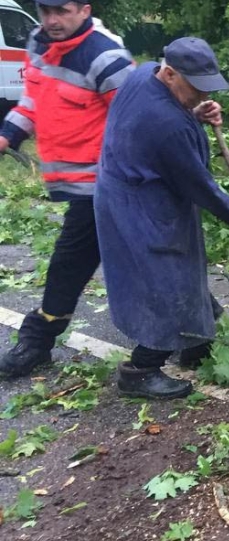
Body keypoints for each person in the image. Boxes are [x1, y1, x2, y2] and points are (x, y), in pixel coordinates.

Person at [93, 37, 229, 399]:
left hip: (128, 190)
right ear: (169, 74)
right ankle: (141, 370)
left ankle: (196, 343)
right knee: (166, 282)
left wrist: (193, 113)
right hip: (142, 206)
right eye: (195, 90)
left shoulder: (143, 76)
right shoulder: (167, 124)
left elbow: (167, 124)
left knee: (183, 271)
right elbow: (199, 186)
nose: (202, 96)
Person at [0, 0, 133, 377]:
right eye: (46, 11)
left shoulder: (107, 56)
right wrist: (7, 135)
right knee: (148, 257)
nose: (53, 21)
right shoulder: (39, 43)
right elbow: (33, 101)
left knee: (73, 265)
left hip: (109, 186)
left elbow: (138, 120)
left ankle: (37, 341)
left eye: (63, 11)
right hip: (78, 187)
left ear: (84, 9)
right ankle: (201, 334)